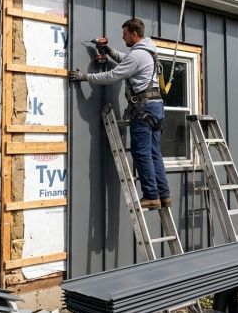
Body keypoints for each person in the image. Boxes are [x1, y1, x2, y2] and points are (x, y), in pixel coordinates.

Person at [68, 18, 169, 209]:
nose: (123, 38)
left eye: (125, 34)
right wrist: (109, 51)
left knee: (141, 153)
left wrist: (85, 77)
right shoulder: (148, 51)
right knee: (154, 153)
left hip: (143, 109)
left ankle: (151, 196)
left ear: (134, 33)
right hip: (155, 108)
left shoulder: (137, 55)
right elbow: (128, 61)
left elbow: (112, 76)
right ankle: (163, 195)